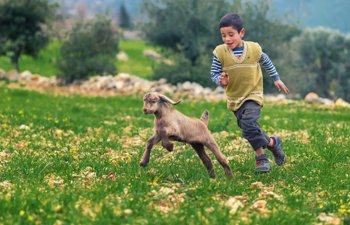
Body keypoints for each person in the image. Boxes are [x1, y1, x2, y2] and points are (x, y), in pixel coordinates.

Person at [210, 12, 289, 173]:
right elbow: (214, 74)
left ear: (242, 33)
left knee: (248, 124)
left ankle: (261, 159)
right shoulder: (220, 53)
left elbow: (266, 61)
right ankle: (273, 143)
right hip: (234, 99)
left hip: (253, 94)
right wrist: (220, 80)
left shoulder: (253, 49)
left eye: (231, 35)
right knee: (249, 129)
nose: (227, 39)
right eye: (223, 35)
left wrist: (276, 78)